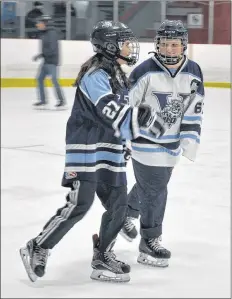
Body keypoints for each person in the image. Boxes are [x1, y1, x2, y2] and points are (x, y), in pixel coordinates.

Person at [19, 20, 165, 283]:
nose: (130, 48)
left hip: (110, 149)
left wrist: (133, 138)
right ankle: (38, 246)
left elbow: (124, 115)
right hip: (86, 146)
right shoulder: (95, 75)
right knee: (80, 203)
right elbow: (109, 109)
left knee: (119, 207)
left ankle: (102, 255)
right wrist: (138, 118)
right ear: (109, 46)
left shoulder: (119, 74)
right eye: (123, 43)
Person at [120, 20, 205, 268]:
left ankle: (125, 212)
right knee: (156, 190)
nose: (169, 49)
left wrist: (189, 140)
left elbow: (194, 109)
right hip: (145, 142)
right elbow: (125, 106)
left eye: (175, 44)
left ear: (183, 46)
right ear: (157, 45)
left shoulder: (194, 71)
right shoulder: (144, 70)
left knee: (151, 185)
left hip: (171, 145)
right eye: (165, 44)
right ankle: (150, 242)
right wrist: (126, 136)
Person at [32, 15, 66, 109]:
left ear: (45, 23)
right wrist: (41, 55)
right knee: (39, 79)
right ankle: (43, 101)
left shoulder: (51, 33)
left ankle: (62, 102)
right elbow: (47, 48)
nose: (37, 24)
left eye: (39, 23)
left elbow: (52, 49)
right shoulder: (45, 33)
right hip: (46, 61)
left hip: (52, 62)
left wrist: (42, 55)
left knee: (54, 81)